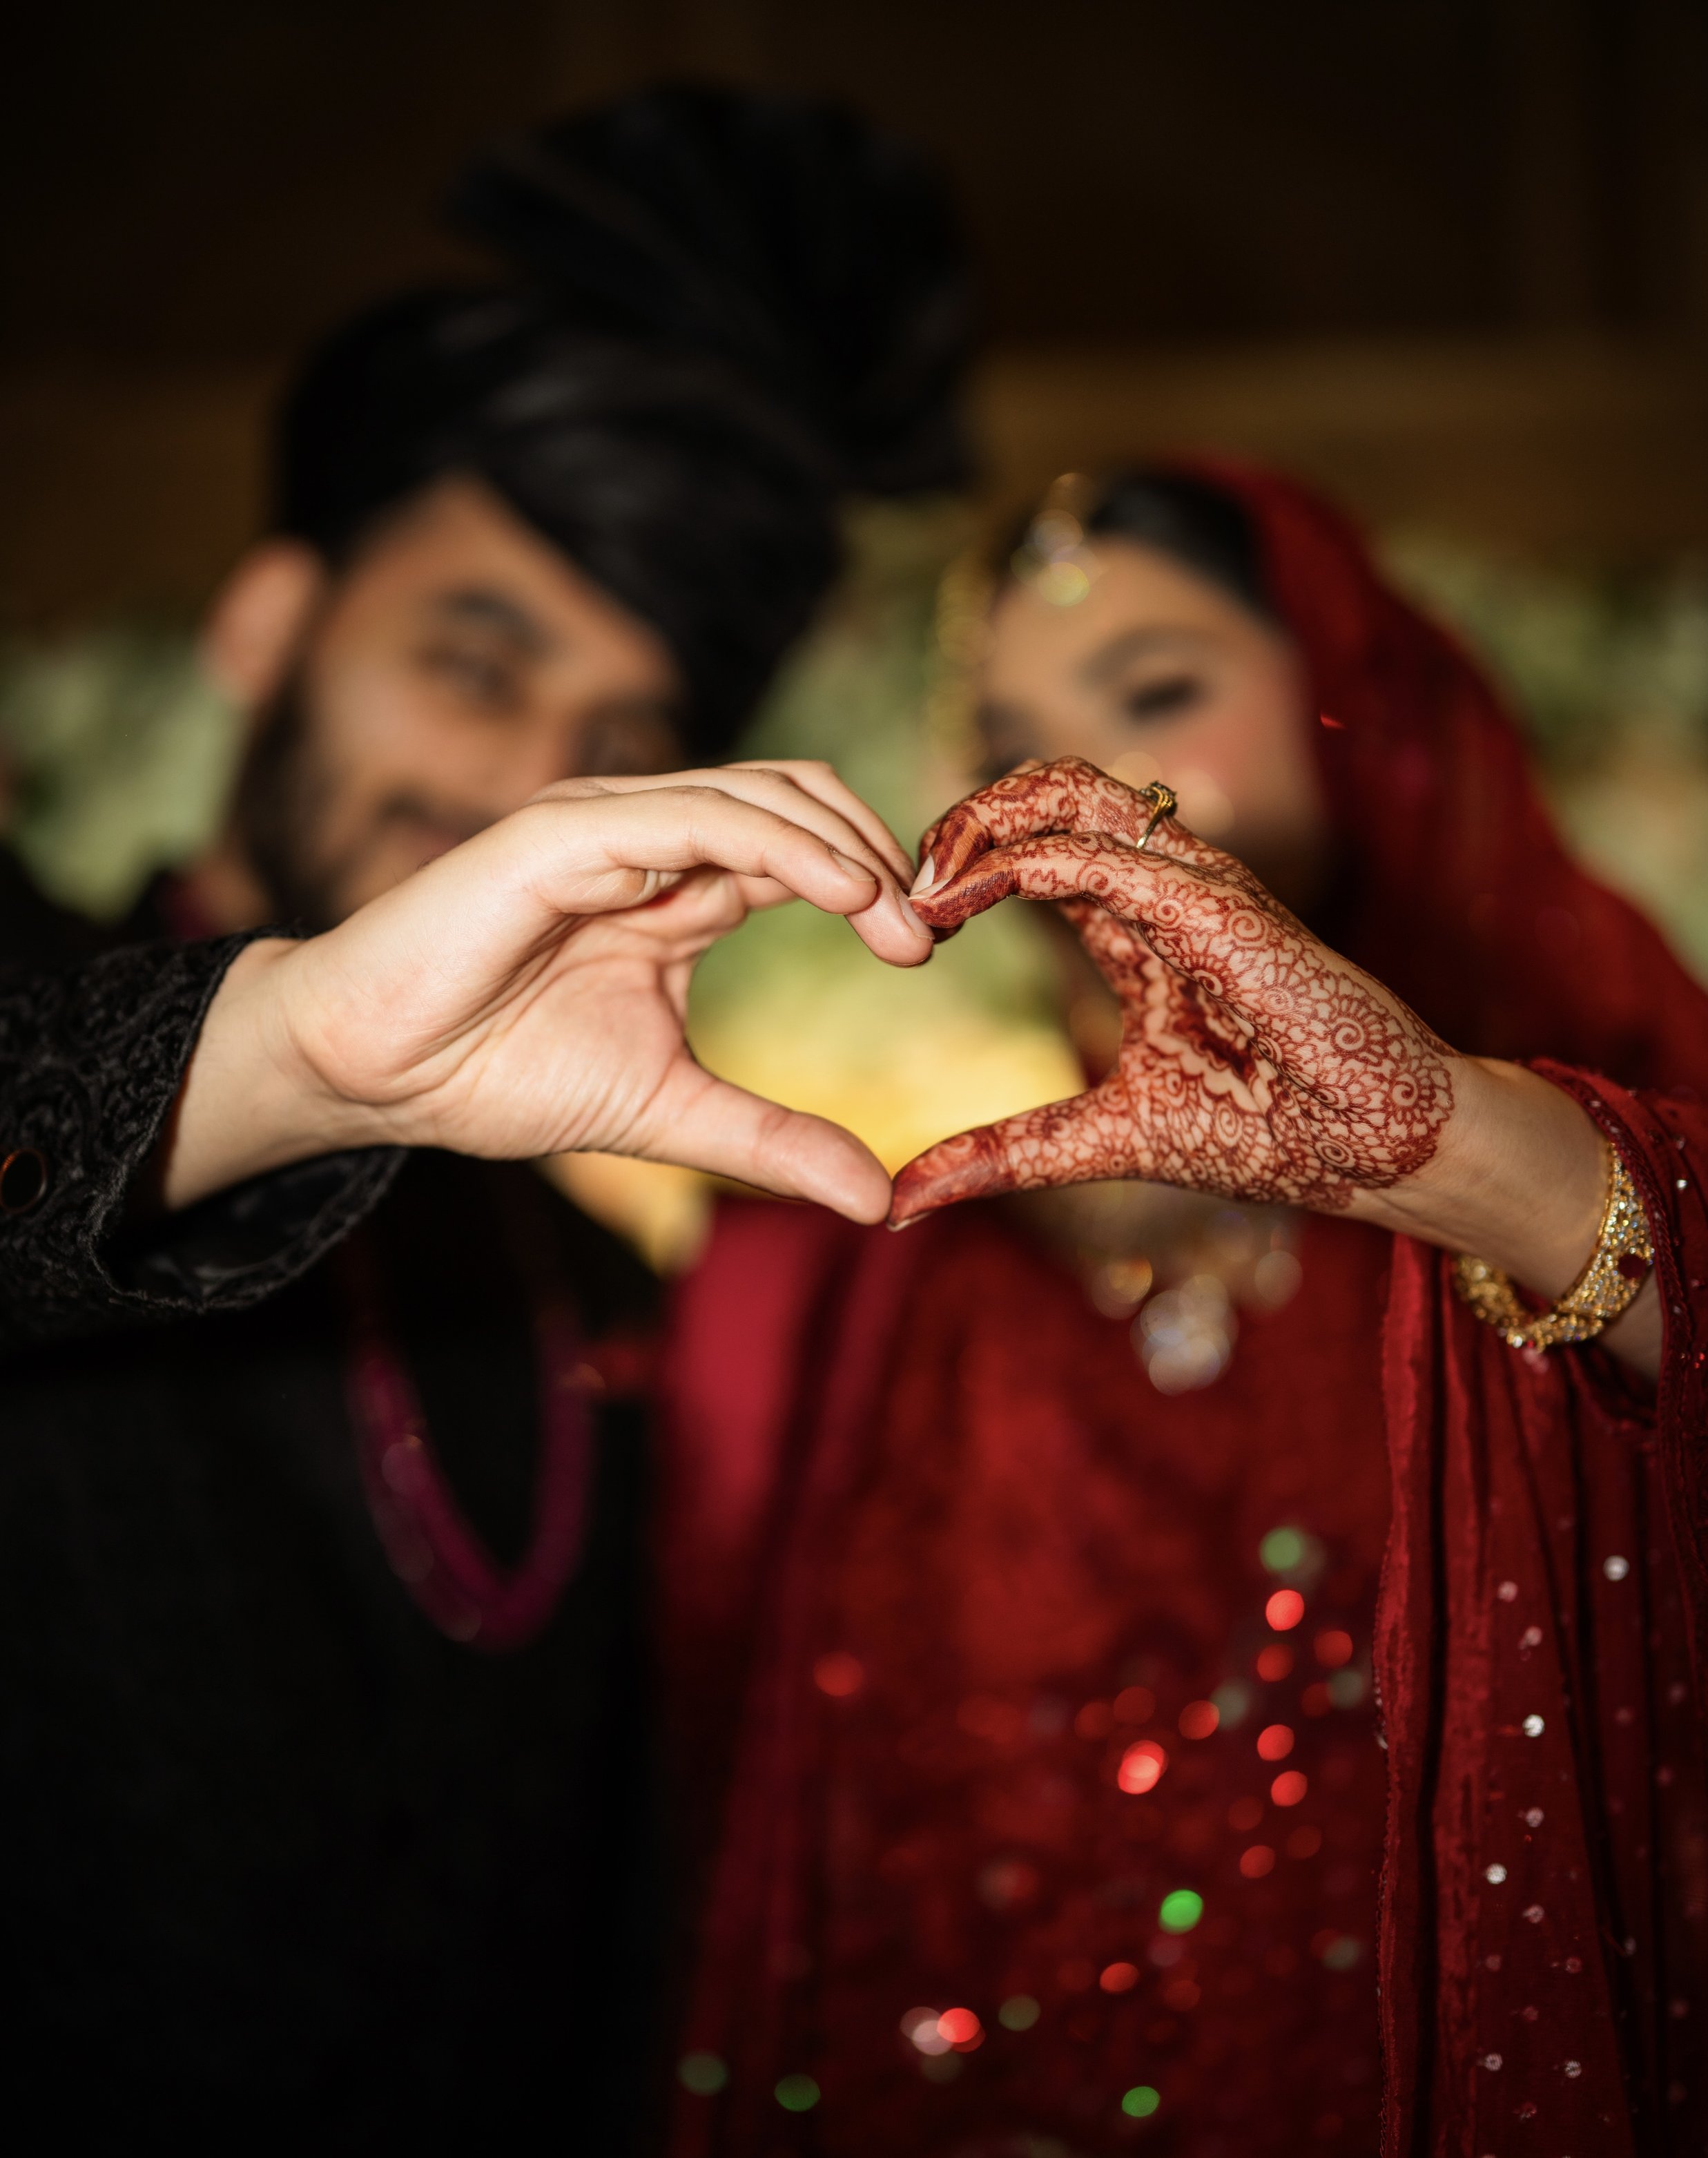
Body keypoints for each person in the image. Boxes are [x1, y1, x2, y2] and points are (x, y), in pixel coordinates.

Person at [0, 86, 964, 2148]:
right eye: (469, 659)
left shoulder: (596, 1287)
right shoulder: (29, 1017)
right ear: (267, 627)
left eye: (617, 744)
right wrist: (292, 1053)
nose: (533, 791)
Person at [661, 464, 1708, 2155]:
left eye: (1154, 696)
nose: (1069, 798)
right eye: (1004, 740)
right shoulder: (872, 1304)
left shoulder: (1610, 1172)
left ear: (1354, 719)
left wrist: (1456, 1151)